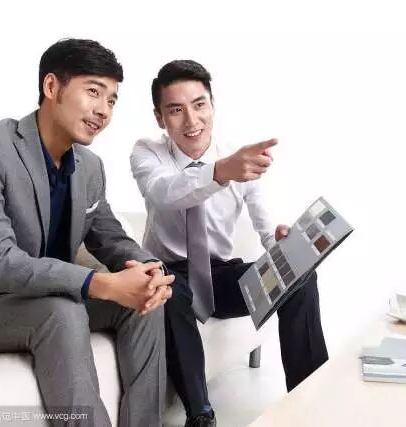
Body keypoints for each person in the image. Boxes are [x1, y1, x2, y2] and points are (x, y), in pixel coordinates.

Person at [0, 38, 173, 427]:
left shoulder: (90, 166)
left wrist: (150, 270)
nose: (104, 110)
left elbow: (111, 237)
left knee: (144, 302)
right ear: (51, 86)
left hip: (52, 292)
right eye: (93, 92)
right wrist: (100, 283)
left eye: (112, 100)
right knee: (61, 311)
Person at [130, 59, 329, 427]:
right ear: (159, 118)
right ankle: (200, 416)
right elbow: (164, 193)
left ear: (213, 105)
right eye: (176, 110)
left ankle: (308, 403)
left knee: (301, 279)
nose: (191, 120)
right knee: (169, 292)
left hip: (220, 277)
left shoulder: (238, 155)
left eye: (199, 105)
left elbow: (264, 225)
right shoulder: (148, 152)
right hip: (167, 275)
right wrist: (220, 172)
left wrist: (279, 242)